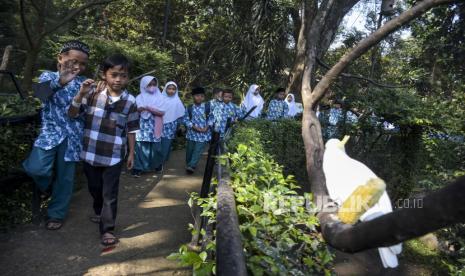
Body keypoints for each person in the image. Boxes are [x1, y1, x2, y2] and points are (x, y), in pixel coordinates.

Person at [68, 53, 139, 246]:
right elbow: (72, 113)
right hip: (90, 152)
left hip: (114, 155)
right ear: (104, 75)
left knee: (110, 194)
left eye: (122, 75)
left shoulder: (130, 101)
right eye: (114, 74)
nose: (118, 79)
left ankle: (107, 229)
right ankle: (98, 210)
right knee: (95, 188)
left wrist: (131, 153)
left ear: (127, 77)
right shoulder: (91, 94)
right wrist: (81, 93)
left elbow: (132, 129)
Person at [22, 40, 90, 231]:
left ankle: (56, 214)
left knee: (66, 179)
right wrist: (61, 81)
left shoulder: (84, 84)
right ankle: (49, 188)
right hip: (49, 134)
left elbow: (76, 113)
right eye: (73, 61)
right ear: (60, 58)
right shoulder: (47, 75)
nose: (78, 66)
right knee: (37, 169)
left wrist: (80, 95)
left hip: (72, 137)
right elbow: (40, 96)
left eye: (83, 63)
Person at [132, 76, 165, 177]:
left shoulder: (160, 97)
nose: (152, 87)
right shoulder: (138, 97)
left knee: (156, 148)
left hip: (155, 126)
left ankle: (157, 164)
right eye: (149, 84)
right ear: (144, 85)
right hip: (142, 126)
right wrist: (139, 110)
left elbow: (162, 112)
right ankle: (138, 168)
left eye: (154, 84)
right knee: (141, 147)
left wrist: (148, 108)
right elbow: (133, 111)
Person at [183, 86, 214, 174]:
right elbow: (185, 120)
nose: (199, 98)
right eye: (197, 95)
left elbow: (212, 118)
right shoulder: (189, 107)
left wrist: (206, 127)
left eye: (201, 96)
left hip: (204, 134)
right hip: (191, 134)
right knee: (189, 150)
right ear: (193, 96)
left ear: (204, 97)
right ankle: (189, 163)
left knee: (198, 150)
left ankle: (192, 166)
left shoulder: (207, 107)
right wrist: (194, 127)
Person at [160, 81, 185, 164]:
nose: (171, 91)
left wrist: (180, 125)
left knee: (167, 142)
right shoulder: (160, 98)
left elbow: (181, 114)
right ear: (165, 89)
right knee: (158, 142)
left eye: (173, 89)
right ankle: (157, 160)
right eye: (169, 88)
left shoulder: (177, 101)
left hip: (171, 125)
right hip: (159, 123)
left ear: (176, 90)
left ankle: (163, 161)